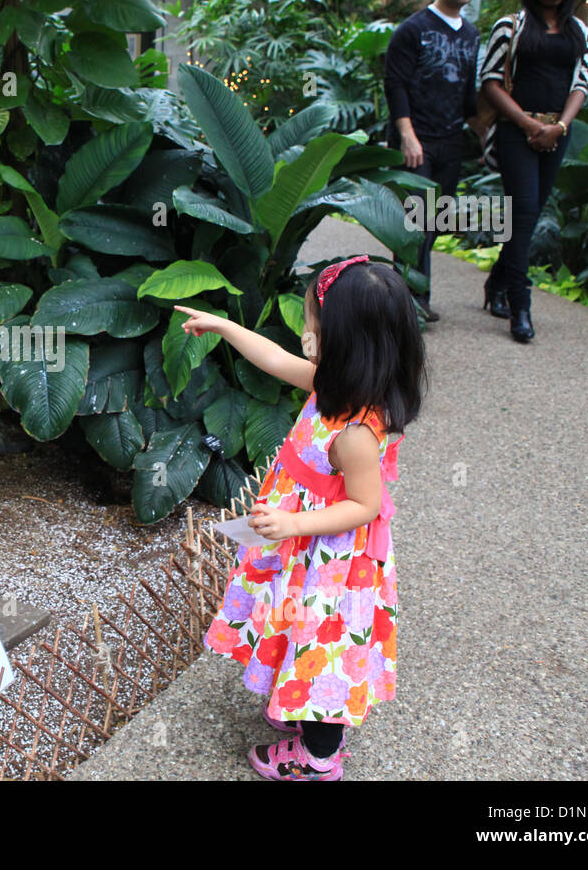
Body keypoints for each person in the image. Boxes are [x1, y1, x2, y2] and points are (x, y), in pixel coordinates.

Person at [175, 256, 426, 781]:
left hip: (330, 563)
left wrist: (291, 525)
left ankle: (319, 759)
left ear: (343, 339)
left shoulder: (356, 431)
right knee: (296, 629)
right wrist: (224, 326)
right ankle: (299, 696)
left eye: (313, 320)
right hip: (303, 548)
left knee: (322, 645)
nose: (306, 330)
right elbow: (273, 359)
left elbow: (365, 506)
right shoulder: (334, 384)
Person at [478, 0, 588, 343]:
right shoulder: (512, 26)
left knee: (530, 213)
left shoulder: (578, 29)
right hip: (517, 132)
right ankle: (519, 306)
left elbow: (581, 84)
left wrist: (559, 126)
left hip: (555, 134)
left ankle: (495, 283)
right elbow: (490, 81)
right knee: (524, 210)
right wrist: (528, 123)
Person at [384, 0, 481, 322]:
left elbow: (469, 94)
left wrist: (485, 133)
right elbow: (396, 84)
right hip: (416, 141)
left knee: (436, 221)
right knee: (414, 223)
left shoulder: (471, 35)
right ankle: (409, 302)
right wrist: (407, 135)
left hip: (450, 141)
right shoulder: (413, 29)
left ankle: (413, 294)